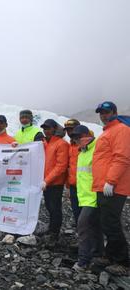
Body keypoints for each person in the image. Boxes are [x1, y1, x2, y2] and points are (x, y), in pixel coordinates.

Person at [92, 101, 130, 275]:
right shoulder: (108, 131)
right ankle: (110, 255)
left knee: (111, 223)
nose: (103, 115)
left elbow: (121, 157)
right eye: (101, 112)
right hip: (104, 186)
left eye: (106, 112)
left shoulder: (121, 130)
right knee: (105, 222)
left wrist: (111, 181)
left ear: (114, 112)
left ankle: (123, 262)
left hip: (113, 187)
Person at [70, 125, 103, 272]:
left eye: (78, 137)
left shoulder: (97, 148)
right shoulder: (82, 152)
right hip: (84, 197)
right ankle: (98, 255)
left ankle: (83, 261)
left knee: (82, 226)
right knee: (94, 227)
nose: (76, 140)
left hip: (93, 196)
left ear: (87, 135)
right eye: (74, 138)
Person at [41, 119, 69, 241]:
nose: (46, 130)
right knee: (49, 206)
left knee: (54, 207)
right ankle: (52, 228)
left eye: (48, 128)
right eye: (44, 128)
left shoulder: (61, 144)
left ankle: (54, 232)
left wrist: (47, 180)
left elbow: (61, 166)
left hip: (55, 183)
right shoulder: (46, 143)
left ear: (54, 128)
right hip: (46, 182)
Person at [64, 118, 82, 225]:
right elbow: (69, 166)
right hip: (73, 185)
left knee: (88, 216)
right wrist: (68, 185)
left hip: (86, 186)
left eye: (72, 129)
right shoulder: (70, 145)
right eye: (67, 130)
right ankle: (82, 238)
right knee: (76, 213)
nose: (69, 132)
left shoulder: (86, 144)